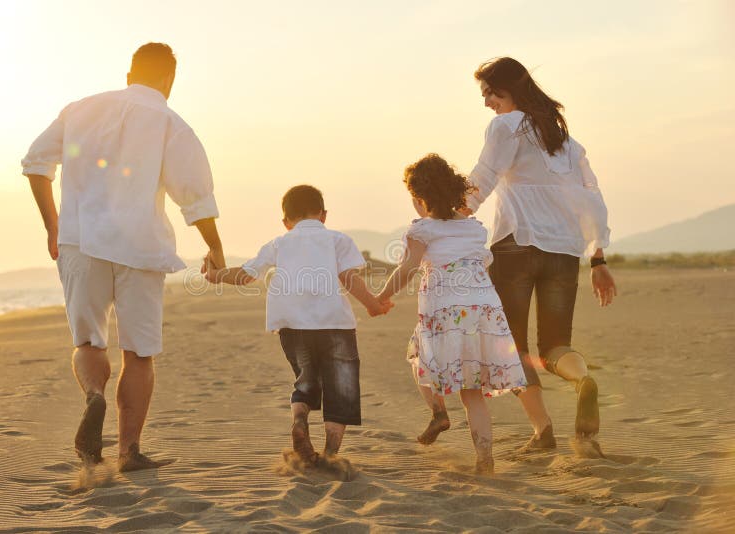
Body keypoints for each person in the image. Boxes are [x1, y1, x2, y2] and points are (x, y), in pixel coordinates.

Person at [21, 42, 225, 471]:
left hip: (79, 241)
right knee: (138, 353)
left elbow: (37, 163)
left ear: (129, 73)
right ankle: (129, 451)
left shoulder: (80, 109)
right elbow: (195, 196)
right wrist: (214, 246)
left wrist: (53, 226)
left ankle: (94, 396)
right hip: (140, 246)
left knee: (88, 341)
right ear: (169, 79)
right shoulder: (170, 122)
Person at [465, 57, 617, 454]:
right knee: (554, 346)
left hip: (517, 244)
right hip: (564, 251)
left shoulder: (504, 127)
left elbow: (481, 180)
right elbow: (592, 199)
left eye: (488, 93)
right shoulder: (566, 142)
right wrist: (597, 259)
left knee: (511, 346)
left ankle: (543, 431)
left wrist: (445, 217)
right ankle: (582, 379)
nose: (486, 103)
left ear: (507, 89)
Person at [205, 185, 391, 466]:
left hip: (292, 326)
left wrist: (216, 275)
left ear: (286, 221)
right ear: (324, 215)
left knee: (306, 382)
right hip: (335, 325)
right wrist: (372, 304)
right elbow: (348, 277)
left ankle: (300, 420)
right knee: (340, 389)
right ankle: (330, 456)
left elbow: (245, 276)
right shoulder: (338, 240)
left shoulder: (279, 243)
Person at [377, 154, 527, 475]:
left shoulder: (422, 229)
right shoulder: (473, 229)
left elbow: (408, 268)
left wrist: (382, 297)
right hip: (484, 311)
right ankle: (485, 461)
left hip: (443, 313)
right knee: (472, 392)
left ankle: (438, 412)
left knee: (418, 356)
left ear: (419, 199)